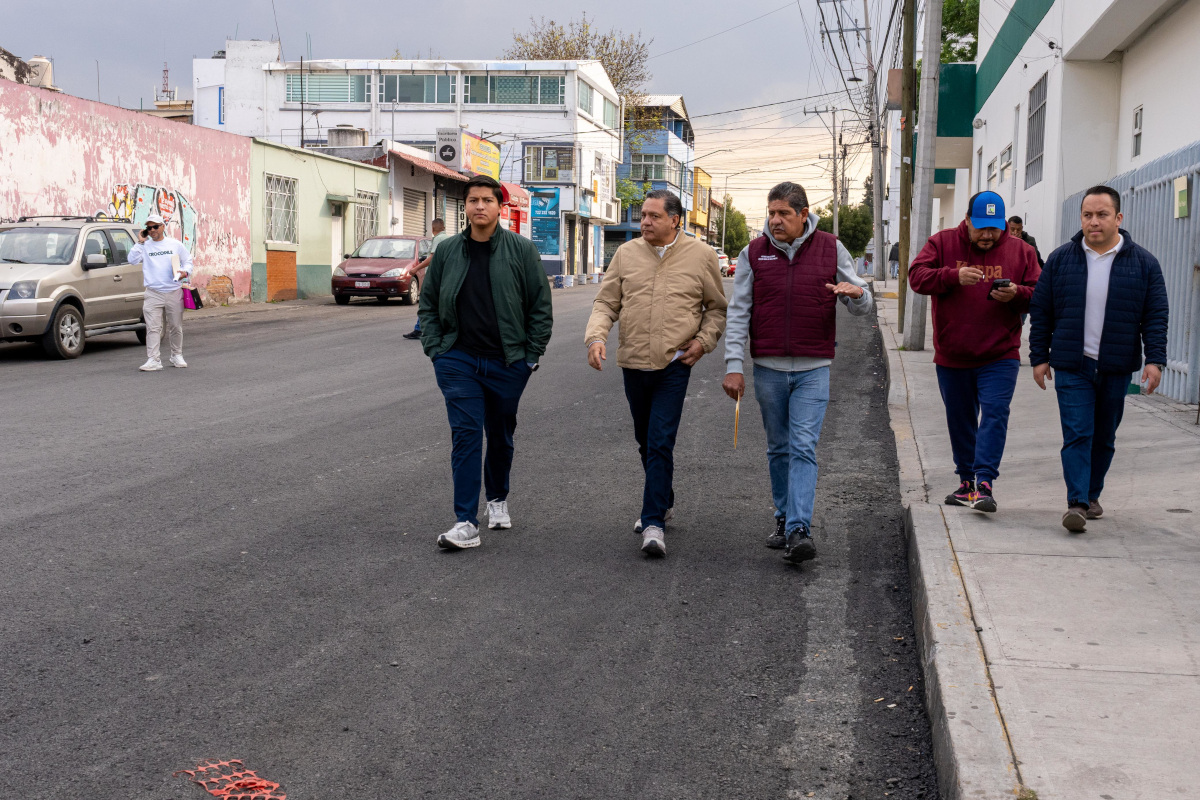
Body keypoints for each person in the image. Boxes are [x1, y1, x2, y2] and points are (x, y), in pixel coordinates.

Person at [721, 182, 872, 565]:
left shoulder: (831, 247)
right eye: (771, 213)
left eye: (783, 213)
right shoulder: (754, 253)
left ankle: (799, 528)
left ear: (804, 215)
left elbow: (861, 300)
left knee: (803, 447)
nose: (775, 221)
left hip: (813, 369)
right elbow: (739, 312)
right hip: (768, 369)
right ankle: (783, 516)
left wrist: (857, 296)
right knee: (779, 448)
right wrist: (734, 366)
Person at [585, 190, 727, 557]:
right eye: (643, 215)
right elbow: (605, 302)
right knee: (646, 441)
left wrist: (703, 341)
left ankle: (653, 524)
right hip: (634, 362)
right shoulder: (626, 254)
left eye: (653, 216)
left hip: (674, 363)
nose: (644, 222)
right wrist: (596, 337)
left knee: (661, 439)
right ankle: (663, 497)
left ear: (675, 220)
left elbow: (715, 308)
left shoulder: (702, 255)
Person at [419, 176, 554, 550]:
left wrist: (529, 357)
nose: (479, 206)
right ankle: (465, 521)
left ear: (500, 207)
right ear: (466, 207)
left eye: (486, 201)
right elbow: (428, 304)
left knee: (500, 434)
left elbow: (540, 308)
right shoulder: (447, 251)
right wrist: (437, 350)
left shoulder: (522, 251)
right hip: (457, 359)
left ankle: (497, 498)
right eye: (473, 200)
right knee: (465, 434)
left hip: (508, 362)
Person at [1029, 185, 1168, 532]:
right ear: (1081, 218)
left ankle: (1092, 495)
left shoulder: (1144, 264)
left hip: (1116, 365)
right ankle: (1076, 502)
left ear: (1118, 218)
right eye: (1088, 215)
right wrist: (1038, 356)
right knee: (1077, 433)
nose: (1094, 221)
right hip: (1072, 365)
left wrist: (1155, 360)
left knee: (1104, 436)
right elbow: (1042, 311)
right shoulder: (1062, 259)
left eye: (1102, 214)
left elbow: (1155, 316)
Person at [907, 191, 1041, 513]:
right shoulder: (941, 243)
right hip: (954, 354)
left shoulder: (1022, 251)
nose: (987, 235)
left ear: (1004, 225)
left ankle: (984, 483)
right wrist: (952, 276)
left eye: (994, 229)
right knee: (961, 419)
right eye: (980, 228)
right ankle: (966, 482)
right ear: (967, 221)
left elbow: (1041, 295)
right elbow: (916, 277)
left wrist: (1017, 294)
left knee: (995, 414)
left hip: (1000, 353)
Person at [130, 213, 192, 371]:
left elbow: (187, 261)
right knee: (152, 327)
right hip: (153, 292)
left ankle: (176, 355)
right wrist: (140, 242)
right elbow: (132, 260)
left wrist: (185, 272)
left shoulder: (175, 244)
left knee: (176, 326)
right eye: (149, 228)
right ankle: (153, 359)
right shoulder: (145, 246)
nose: (152, 230)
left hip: (173, 291)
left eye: (155, 227)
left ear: (163, 227)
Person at [403, 218, 450, 340]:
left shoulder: (438, 239)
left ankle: (419, 329)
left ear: (433, 229)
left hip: (436, 277)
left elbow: (432, 258)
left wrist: (415, 269)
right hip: (444, 276)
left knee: (426, 302)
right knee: (436, 303)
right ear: (444, 228)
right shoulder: (448, 239)